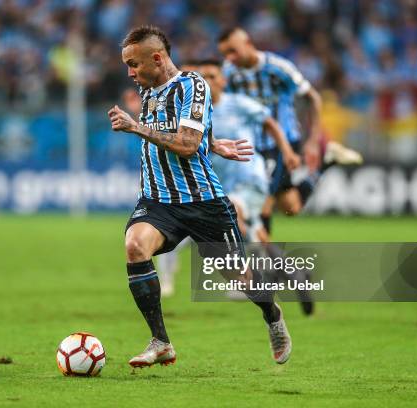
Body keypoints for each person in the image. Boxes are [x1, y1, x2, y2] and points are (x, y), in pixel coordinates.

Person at [108, 25, 292, 368]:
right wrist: (212, 141)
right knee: (135, 246)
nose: (130, 73)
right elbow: (188, 135)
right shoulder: (148, 90)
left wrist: (137, 127)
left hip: (202, 202)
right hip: (158, 200)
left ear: (158, 58)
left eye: (134, 64)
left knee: (239, 276)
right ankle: (161, 341)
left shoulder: (192, 85)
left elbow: (187, 145)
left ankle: (272, 313)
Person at [156, 60, 314, 316]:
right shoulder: (190, 111)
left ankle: (244, 280)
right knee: (250, 231)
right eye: (201, 76)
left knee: (234, 215)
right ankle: (293, 272)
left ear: (222, 80)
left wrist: (286, 152)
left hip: (249, 179)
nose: (206, 80)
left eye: (212, 75)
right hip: (216, 184)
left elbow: (270, 123)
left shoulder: (238, 104)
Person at [217, 27, 362, 234]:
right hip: (248, 144)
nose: (229, 58)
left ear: (248, 43)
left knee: (261, 203)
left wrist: (313, 140)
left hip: (280, 142)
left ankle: (264, 263)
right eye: (225, 54)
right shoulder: (228, 73)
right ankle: (327, 161)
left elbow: (313, 98)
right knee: (291, 207)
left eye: (233, 51)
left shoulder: (278, 67)